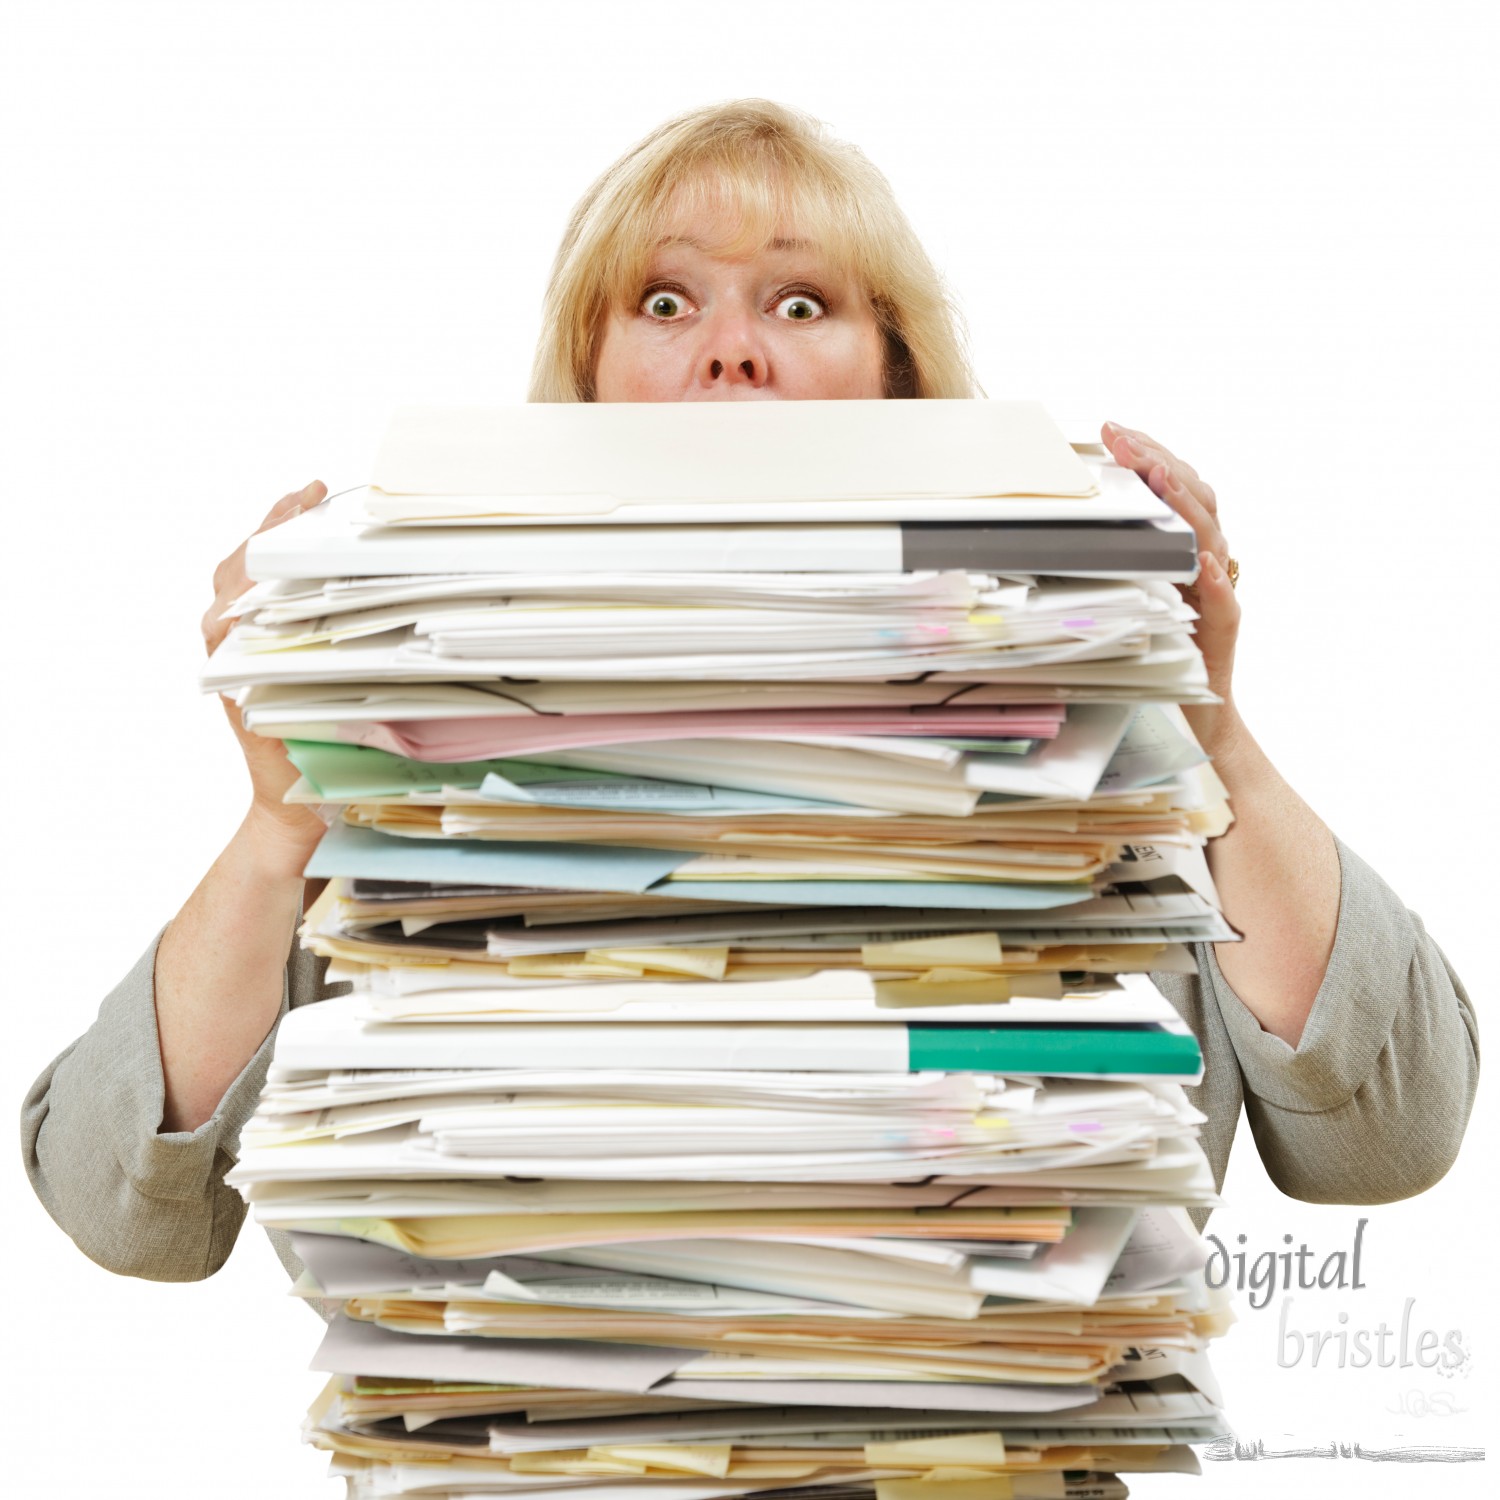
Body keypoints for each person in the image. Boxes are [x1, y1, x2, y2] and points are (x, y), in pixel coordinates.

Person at [22, 100, 1479, 1283]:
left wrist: (1202, 731)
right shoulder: (425, 751)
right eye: (664, 298)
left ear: (902, 386)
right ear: (585, 387)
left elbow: (1389, 1139)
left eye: (801, 297)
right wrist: (287, 818)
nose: (732, 347)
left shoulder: (1086, 745)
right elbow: (124, 1206)